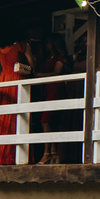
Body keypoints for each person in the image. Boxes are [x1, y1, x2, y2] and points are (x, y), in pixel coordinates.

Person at [0, 31, 34, 166]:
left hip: (4, 80)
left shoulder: (0, 49)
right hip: (17, 78)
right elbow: (32, 66)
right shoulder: (22, 45)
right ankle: (16, 155)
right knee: (18, 116)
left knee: (2, 117)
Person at [36, 34, 70, 164]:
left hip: (56, 89)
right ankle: (54, 153)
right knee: (52, 122)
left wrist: (39, 75)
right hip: (48, 89)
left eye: (48, 42)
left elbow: (57, 73)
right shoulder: (48, 58)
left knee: (46, 121)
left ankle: (46, 153)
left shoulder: (59, 58)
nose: (46, 45)